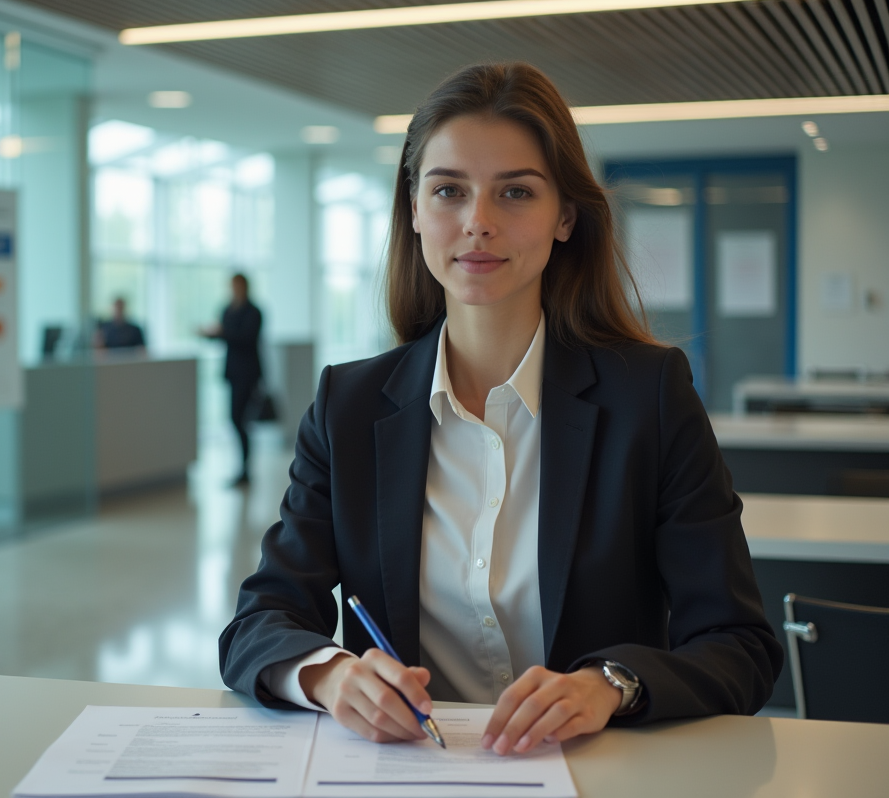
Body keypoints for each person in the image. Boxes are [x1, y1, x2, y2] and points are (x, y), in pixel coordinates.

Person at [219, 62, 782, 755]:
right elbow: (259, 622)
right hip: (407, 774)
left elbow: (740, 645)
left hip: (593, 776)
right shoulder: (349, 406)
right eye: (449, 190)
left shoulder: (650, 396)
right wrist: (329, 674)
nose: (478, 223)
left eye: (516, 192)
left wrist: (610, 684)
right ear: (416, 211)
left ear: (565, 217)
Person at [201, 274, 263, 486]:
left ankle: (245, 468)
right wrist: (212, 334)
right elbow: (225, 337)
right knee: (235, 419)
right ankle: (243, 468)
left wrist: (221, 333)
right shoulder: (227, 309)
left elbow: (245, 338)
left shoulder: (254, 312)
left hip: (248, 374)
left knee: (240, 419)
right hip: (233, 372)